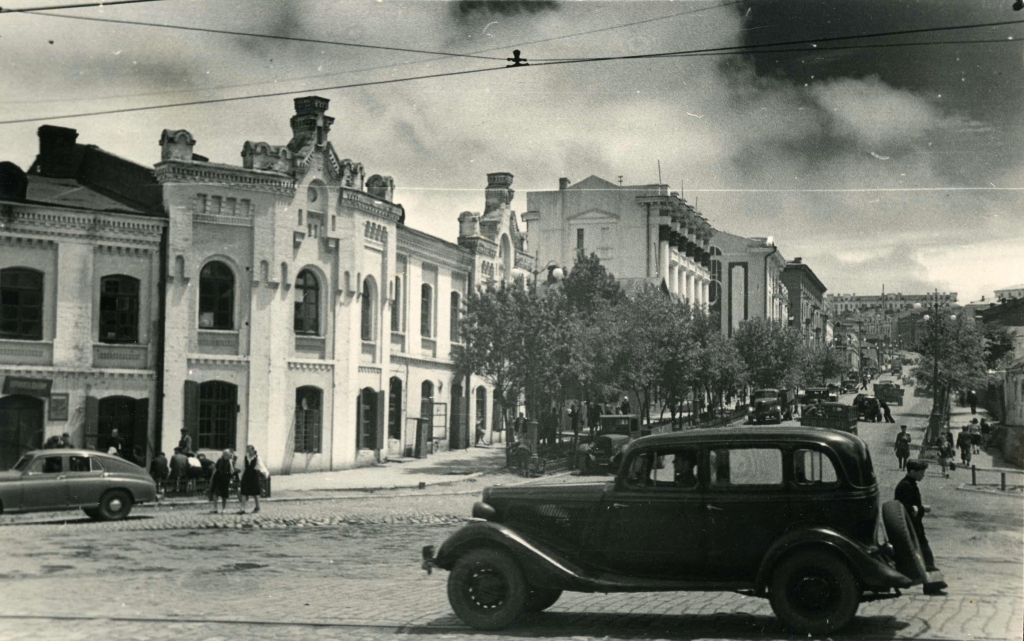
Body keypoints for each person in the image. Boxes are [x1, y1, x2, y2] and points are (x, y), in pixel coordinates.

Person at [895, 460, 947, 595]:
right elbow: (905, 509)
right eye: (921, 472)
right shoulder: (906, 486)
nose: (923, 475)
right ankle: (932, 585)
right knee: (926, 555)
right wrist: (922, 509)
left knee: (926, 555)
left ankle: (932, 584)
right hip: (912, 528)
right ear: (912, 472)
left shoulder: (909, 484)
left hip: (915, 527)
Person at [238, 445, 269, 514]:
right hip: (246, 475)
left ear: (253, 450)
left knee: (255, 492)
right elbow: (244, 467)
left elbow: (261, 466)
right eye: (247, 450)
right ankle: (242, 508)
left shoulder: (257, 458)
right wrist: (241, 476)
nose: (248, 452)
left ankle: (257, 506)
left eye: (249, 450)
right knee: (244, 492)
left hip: (253, 475)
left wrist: (266, 474)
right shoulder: (246, 457)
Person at [208, 449, 234, 514]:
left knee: (224, 495)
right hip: (217, 478)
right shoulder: (219, 460)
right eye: (224, 454)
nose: (225, 455)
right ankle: (215, 508)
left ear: (229, 455)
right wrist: (212, 477)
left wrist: (231, 463)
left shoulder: (230, 461)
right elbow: (215, 469)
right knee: (215, 493)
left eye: (227, 454)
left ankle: (224, 508)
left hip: (225, 479)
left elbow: (232, 471)